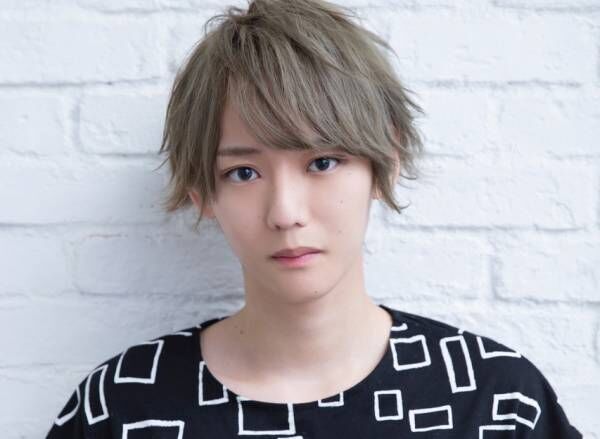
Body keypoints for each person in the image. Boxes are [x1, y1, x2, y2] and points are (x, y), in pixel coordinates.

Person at [46, 0, 583, 437]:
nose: (286, 213)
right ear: (201, 192)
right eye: (243, 173)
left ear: (386, 161)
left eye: (322, 163)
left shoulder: (494, 402)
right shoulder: (123, 407)